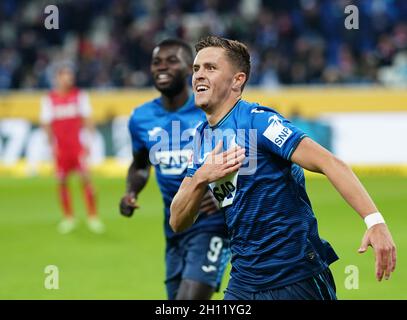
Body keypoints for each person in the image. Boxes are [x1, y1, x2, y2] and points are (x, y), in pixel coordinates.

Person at [170, 36, 397, 300]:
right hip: (244, 280)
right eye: (196, 69)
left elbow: (329, 163)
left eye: (210, 68)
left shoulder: (259, 122)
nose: (199, 75)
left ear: (237, 80)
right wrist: (201, 177)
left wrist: (375, 222)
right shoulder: (199, 139)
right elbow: (178, 221)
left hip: (295, 277)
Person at [119, 39, 230, 300]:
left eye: (171, 61)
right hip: (175, 227)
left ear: (190, 70)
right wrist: (130, 192)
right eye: (156, 62)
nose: (162, 67)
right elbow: (140, 164)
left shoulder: (211, 110)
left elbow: (243, 159)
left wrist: (222, 193)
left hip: (211, 225)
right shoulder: (141, 118)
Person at [40, 61, 105, 234]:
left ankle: (93, 216)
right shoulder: (49, 99)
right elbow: (46, 124)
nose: (69, 79)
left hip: (77, 147)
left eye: (71, 76)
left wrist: (90, 141)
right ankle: (68, 217)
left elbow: (87, 119)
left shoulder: (79, 96)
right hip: (61, 149)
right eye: (65, 76)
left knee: (86, 178)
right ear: (58, 78)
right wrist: (50, 145)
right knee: (61, 181)